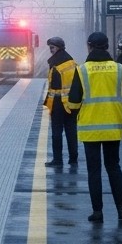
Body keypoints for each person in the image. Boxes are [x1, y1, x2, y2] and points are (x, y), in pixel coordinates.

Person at [65, 31, 122, 223]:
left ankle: (98, 212)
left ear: (89, 46)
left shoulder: (82, 71)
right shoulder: (120, 69)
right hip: (114, 127)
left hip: (90, 129)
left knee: (94, 171)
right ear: (107, 46)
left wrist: (75, 114)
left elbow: (73, 103)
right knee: (114, 167)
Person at [43, 37, 79, 169]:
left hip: (58, 103)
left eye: (52, 48)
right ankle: (73, 159)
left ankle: (58, 159)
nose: (50, 50)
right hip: (71, 103)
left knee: (57, 132)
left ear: (58, 47)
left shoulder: (56, 65)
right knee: (71, 131)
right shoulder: (73, 63)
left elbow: (54, 86)